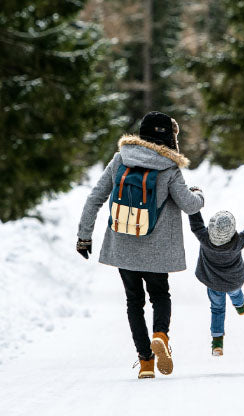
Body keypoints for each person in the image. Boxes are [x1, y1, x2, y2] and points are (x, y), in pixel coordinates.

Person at [76, 111, 205, 379]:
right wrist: (199, 194)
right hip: (158, 249)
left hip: (124, 244)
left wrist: (84, 236)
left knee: (134, 301)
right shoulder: (169, 167)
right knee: (160, 295)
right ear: (169, 137)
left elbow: (95, 198)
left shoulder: (121, 159)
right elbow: (189, 205)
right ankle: (160, 335)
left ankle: (145, 362)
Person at [188, 209, 244, 356]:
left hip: (213, 284)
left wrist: (194, 201)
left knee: (217, 309)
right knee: (236, 294)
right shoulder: (238, 242)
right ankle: (240, 307)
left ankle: (217, 343)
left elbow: (196, 224)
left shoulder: (204, 238)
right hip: (234, 282)